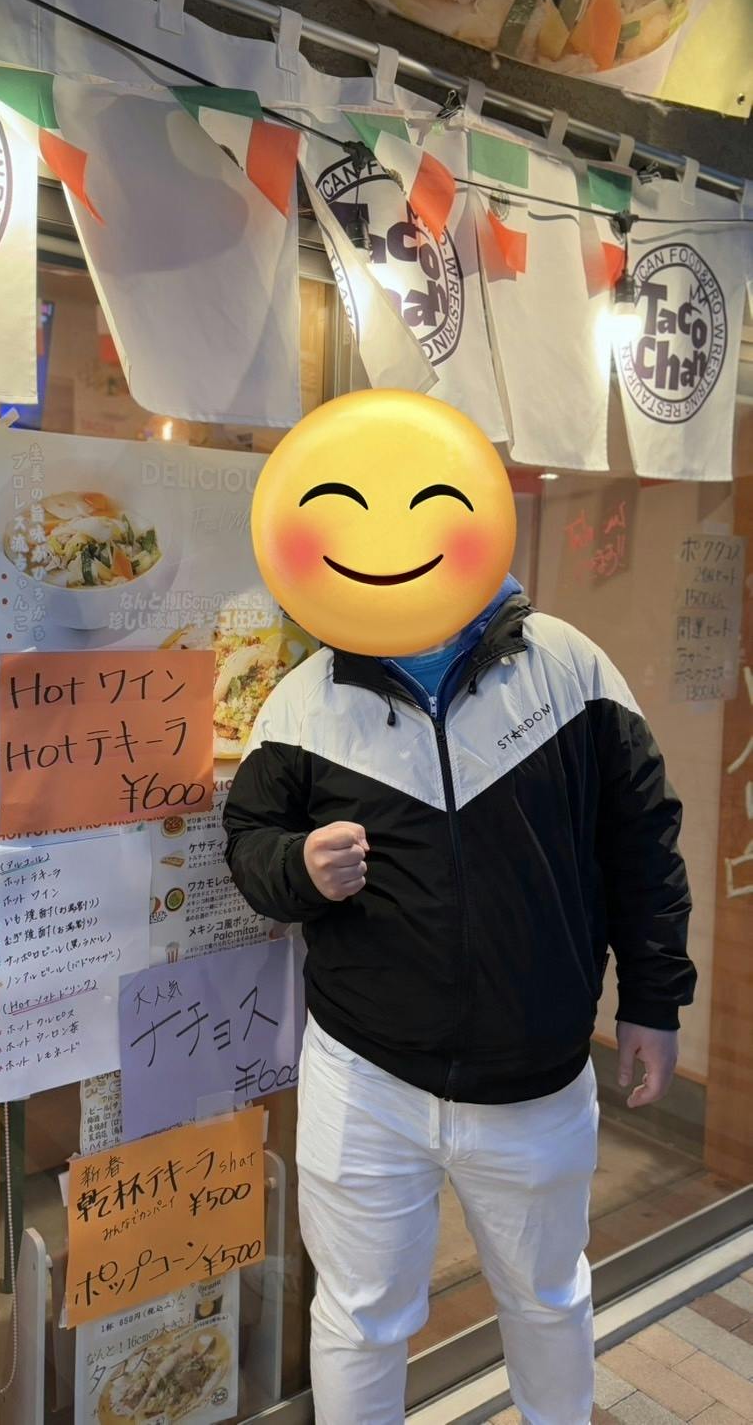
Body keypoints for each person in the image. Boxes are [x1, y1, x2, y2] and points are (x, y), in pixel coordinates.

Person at [224, 391, 695, 1424]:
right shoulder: (301, 698)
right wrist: (297, 865)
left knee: (548, 1296)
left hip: (537, 1076)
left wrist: (654, 1001)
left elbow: (642, 843)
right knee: (359, 1316)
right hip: (363, 1075)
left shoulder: (570, 668)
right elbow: (246, 848)